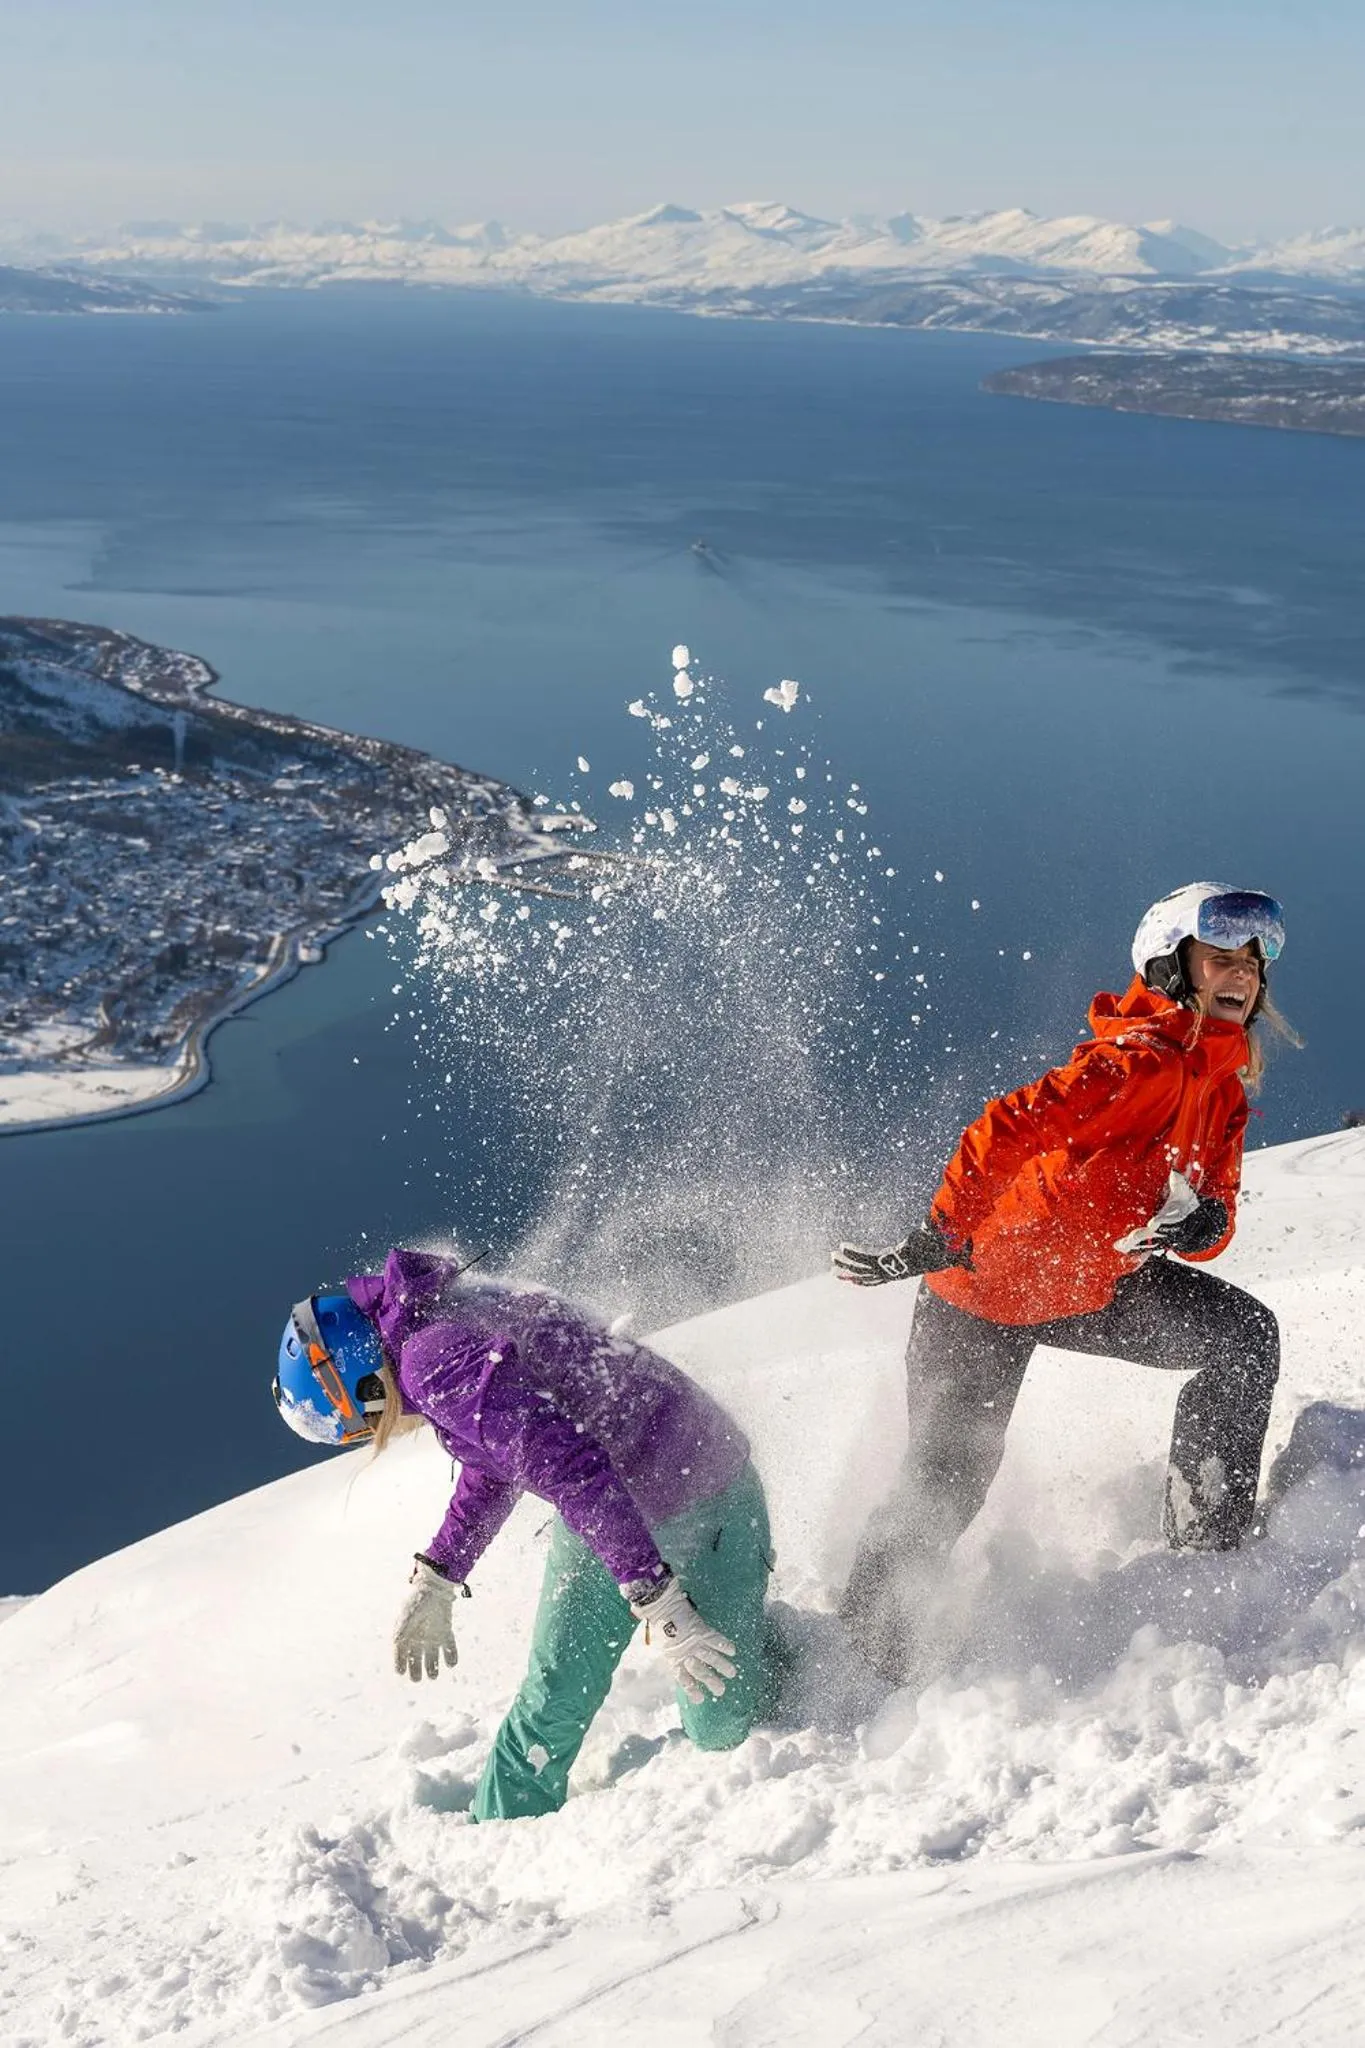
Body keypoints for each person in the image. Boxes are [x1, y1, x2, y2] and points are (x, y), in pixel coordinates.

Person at [833, 883, 1294, 1685]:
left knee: (1243, 1341)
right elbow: (1004, 1126)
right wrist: (942, 1233)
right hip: (980, 1298)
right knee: (947, 1480)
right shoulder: (1135, 1062)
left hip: (1094, 1291)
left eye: (1252, 963)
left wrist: (1201, 1227)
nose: (1242, 974)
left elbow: (1216, 1211)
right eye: (1220, 956)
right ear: (1168, 967)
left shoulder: (1220, 1093)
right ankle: (861, 1658)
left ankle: (1203, 1552)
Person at [273, 1248, 771, 1820]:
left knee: (722, 1729)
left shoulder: (429, 1359)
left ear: (359, 1384)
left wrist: (657, 1598)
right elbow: (504, 1457)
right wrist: (439, 1573)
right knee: (552, 1698)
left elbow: (571, 1467)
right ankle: (496, 1838)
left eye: (361, 1425)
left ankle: (765, 1642)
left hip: (702, 1496)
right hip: (604, 1516)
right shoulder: (429, 1333)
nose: (377, 1432)